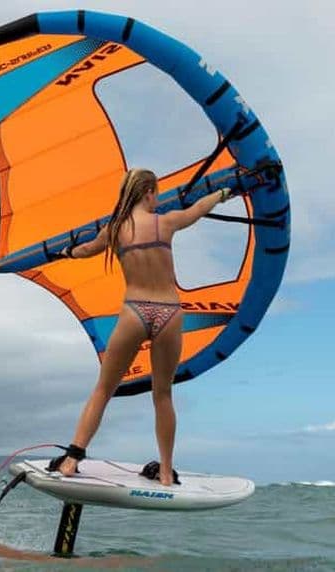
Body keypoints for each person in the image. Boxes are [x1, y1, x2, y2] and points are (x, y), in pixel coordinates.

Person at [47, 168, 234, 486]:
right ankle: (164, 471)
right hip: (168, 313)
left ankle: (71, 459)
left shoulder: (115, 229)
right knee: (163, 395)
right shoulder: (167, 222)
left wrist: (65, 251)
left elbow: (85, 250)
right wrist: (225, 193)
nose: (158, 198)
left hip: (136, 311)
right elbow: (199, 209)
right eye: (157, 193)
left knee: (104, 390)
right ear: (149, 192)